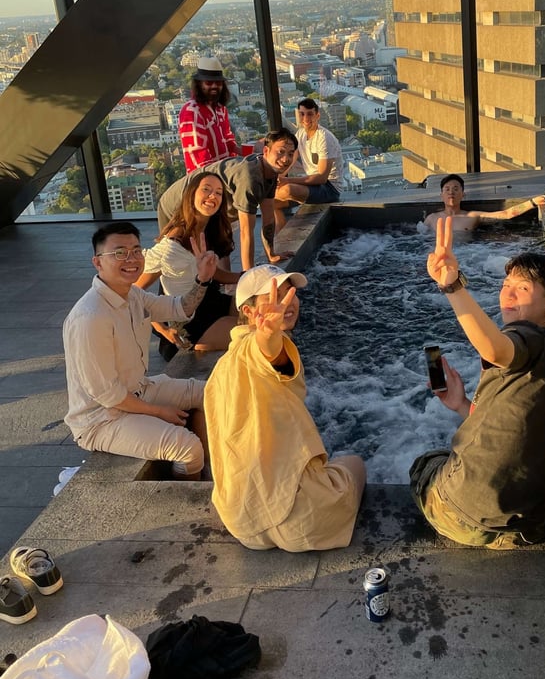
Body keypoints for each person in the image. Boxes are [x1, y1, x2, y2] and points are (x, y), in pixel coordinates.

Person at [409, 217, 545, 547]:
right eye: (506, 284)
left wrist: (452, 286)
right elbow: (513, 428)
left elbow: (494, 348)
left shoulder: (529, 338)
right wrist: (462, 404)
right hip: (526, 527)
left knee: (425, 463)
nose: (508, 292)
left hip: (464, 515)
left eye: (522, 288)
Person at [205, 264, 366, 551]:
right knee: (355, 465)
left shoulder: (223, 367)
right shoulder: (258, 347)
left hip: (241, 521)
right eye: (274, 297)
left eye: (289, 293)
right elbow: (266, 350)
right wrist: (268, 334)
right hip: (300, 522)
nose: (287, 301)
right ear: (249, 311)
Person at [62, 222, 218, 479]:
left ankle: (213, 470)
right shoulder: (90, 317)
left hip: (139, 390)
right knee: (187, 448)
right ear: (98, 262)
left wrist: (202, 278)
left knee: (212, 392)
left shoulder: (133, 294)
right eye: (119, 253)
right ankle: (190, 496)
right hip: (102, 418)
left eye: (136, 250)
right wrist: (160, 412)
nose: (131, 259)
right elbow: (108, 395)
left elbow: (180, 308)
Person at [136, 172, 242, 361]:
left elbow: (212, 273)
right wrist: (162, 329)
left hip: (212, 302)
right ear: (191, 194)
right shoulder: (172, 245)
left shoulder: (206, 230)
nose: (213, 196)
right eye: (206, 190)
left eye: (218, 193)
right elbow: (134, 292)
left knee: (265, 309)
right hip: (192, 323)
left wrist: (247, 276)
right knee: (251, 333)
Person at [157, 128, 298, 269]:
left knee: (211, 256)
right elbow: (246, 232)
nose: (286, 159)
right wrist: (248, 277)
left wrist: (271, 254)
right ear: (266, 151)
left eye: (290, 154)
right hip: (177, 204)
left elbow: (268, 219)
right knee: (175, 263)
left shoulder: (270, 172)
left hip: (207, 209)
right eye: (280, 152)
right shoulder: (250, 177)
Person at [273, 98, 344, 231]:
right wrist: (277, 178)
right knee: (271, 202)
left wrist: (286, 180)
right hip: (313, 185)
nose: (305, 118)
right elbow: (290, 161)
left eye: (310, 114)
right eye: (302, 114)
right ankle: (280, 238)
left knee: (287, 189)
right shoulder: (300, 134)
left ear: (317, 115)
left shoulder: (324, 137)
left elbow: (322, 178)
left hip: (329, 188)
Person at [178, 56, 241, 172]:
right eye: (208, 82)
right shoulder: (191, 111)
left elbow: (228, 140)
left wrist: (246, 153)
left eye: (218, 83)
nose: (214, 86)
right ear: (199, 84)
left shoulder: (220, 109)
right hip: (205, 181)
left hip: (224, 174)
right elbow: (198, 155)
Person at [423, 174, 545, 232]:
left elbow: (505, 214)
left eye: (456, 189)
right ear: (441, 195)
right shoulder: (431, 219)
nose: (451, 192)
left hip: (467, 258)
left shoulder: (472, 216)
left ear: (463, 194)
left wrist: (533, 202)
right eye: (447, 189)